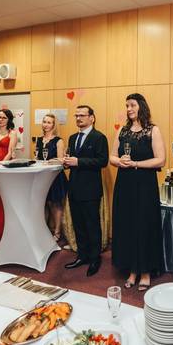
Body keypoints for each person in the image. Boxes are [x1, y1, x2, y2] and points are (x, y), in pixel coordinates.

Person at [111, 93, 165, 291]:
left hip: (145, 185)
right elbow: (112, 157)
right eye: (127, 105)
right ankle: (132, 269)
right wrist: (120, 161)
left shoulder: (153, 130)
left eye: (132, 105)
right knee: (127, 226)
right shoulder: (122, 130)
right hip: (124, 184)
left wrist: (135, 164)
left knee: (144, 226)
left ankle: (145, 271)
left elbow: (160, 160)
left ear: (141, 106)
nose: (129, 109)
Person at [63, 105, 109, 277]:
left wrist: (78, 162)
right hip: (74, 188)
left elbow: (102, 161)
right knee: (79, 225)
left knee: (92, 225)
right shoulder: (72, 137)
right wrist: (67, 163)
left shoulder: (99, 137)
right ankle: (82, 255)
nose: (78, 118)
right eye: (76, 115)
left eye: (82, 115)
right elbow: (72, 161)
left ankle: (95, 258)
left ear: (92, 118)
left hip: (90, 190)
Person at [36, 114, 68, 241]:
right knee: (44, 204)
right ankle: (44, 231)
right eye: (44, 122)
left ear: (54, 125)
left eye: (49, 122)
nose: (46, 124)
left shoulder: (58, 141)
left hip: (55, 177)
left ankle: (57, 232)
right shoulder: (39, 140)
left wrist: (50, 161)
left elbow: (61, 160)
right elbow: (37, 158)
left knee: (56, 205)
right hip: (42, 176)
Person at [0, 109, 17, 240]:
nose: (0, 120)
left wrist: (0, 165)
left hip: (2, 168)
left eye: (4, 118)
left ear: (9, 120)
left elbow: (10, 152)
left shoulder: (12, 133)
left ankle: (3, 230)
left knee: (1, 197)